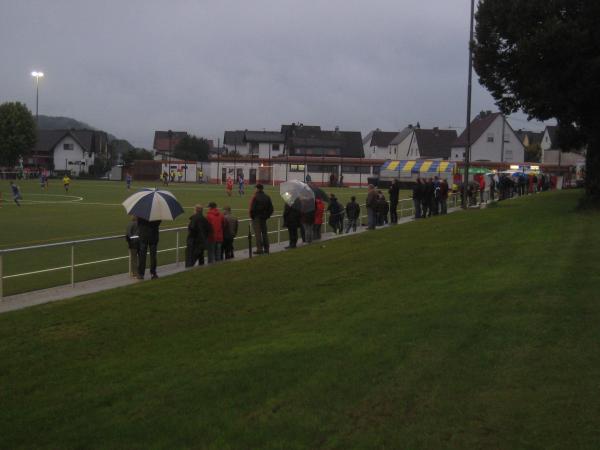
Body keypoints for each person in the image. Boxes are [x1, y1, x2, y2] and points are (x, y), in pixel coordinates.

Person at [249, 184, 274, 254]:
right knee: (264, 233)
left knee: (258, 234)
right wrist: (267, 216)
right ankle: (267, 248)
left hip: (257, 218)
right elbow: (271, 209)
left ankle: (259, 249)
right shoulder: (267, 197)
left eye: (255, 188)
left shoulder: (255, 197)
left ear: (257, 189)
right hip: (264, 218)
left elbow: (252, 209)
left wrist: (252, 216)